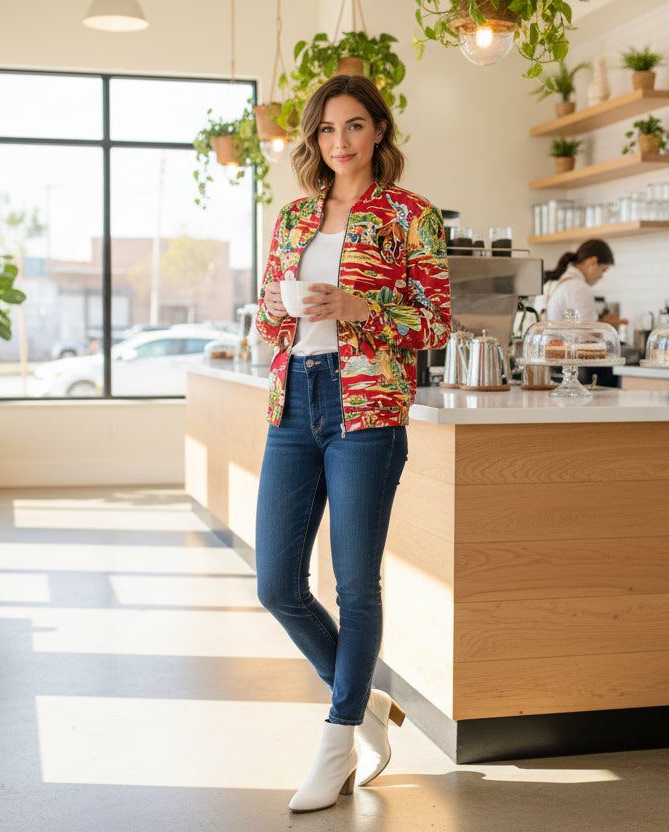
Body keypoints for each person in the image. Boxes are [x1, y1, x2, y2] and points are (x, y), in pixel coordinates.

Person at [252, 75, 450, 814]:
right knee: (276, 583)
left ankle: (339, 741)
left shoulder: (410, 215)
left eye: (355, 126)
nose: (341, 141)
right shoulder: (294, 217)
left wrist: (363, 305)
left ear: (378, 132)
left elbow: (432, 323)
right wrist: (276, 309)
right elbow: (271, 318)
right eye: (328, 129)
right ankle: (366, 703)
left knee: (355, 585)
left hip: (367, 405)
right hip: (294, 399)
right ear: (314, 139)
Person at [541, 238, 620, 326]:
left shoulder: (553, 281)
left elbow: (573, 322)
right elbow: (585, 334)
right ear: (593, 262)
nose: (601, 276)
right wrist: (608, 326)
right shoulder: (579, 288)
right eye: (603, 270)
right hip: (561, 340)